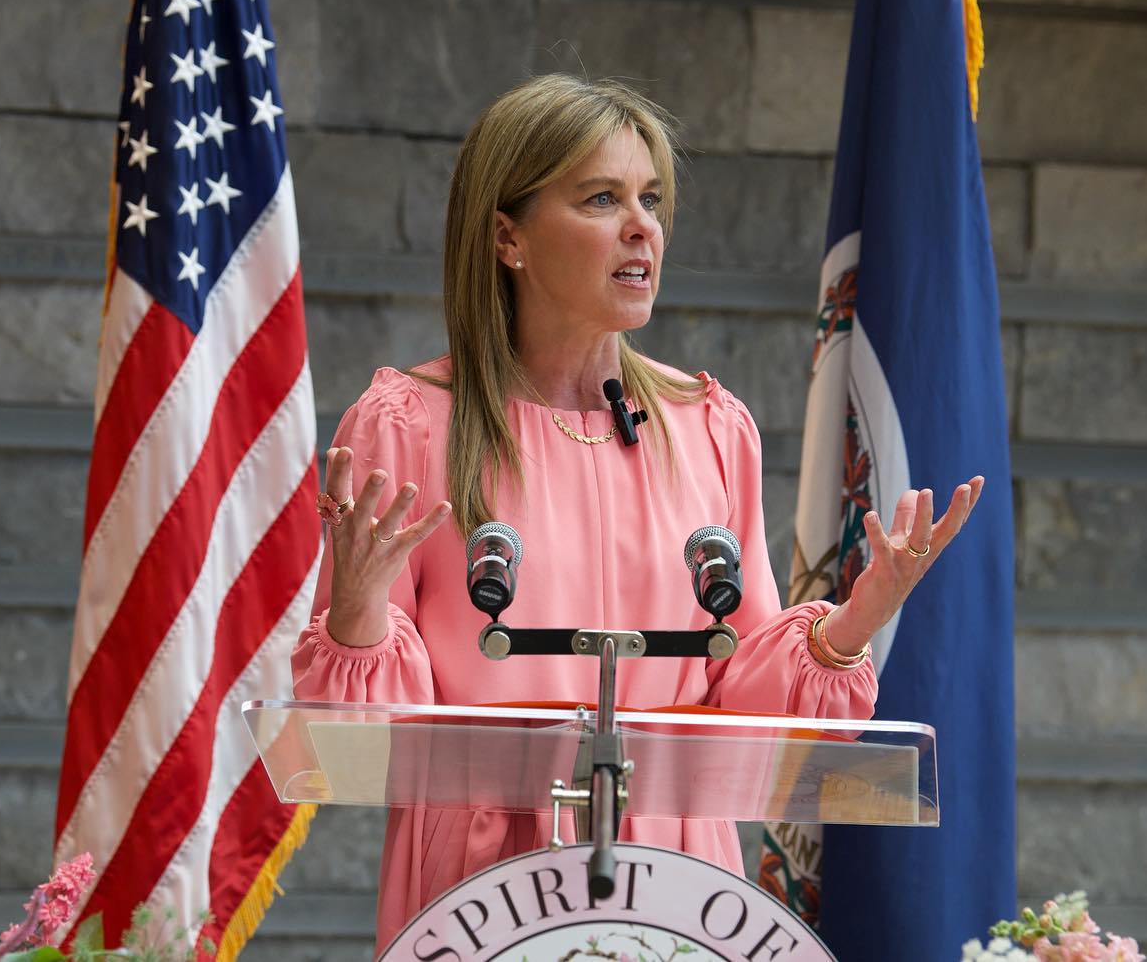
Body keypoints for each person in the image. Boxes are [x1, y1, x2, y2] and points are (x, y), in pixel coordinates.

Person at [291, 73, 982, 950]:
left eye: (651, 198)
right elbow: (368, 732)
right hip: (482, 893)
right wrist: (353, 607)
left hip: (679, 879)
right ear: (509, 238)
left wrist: (851, 624)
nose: (642, 226)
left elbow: (743, 690)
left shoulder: (709, 426)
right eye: (601, 198)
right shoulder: (410, 424)